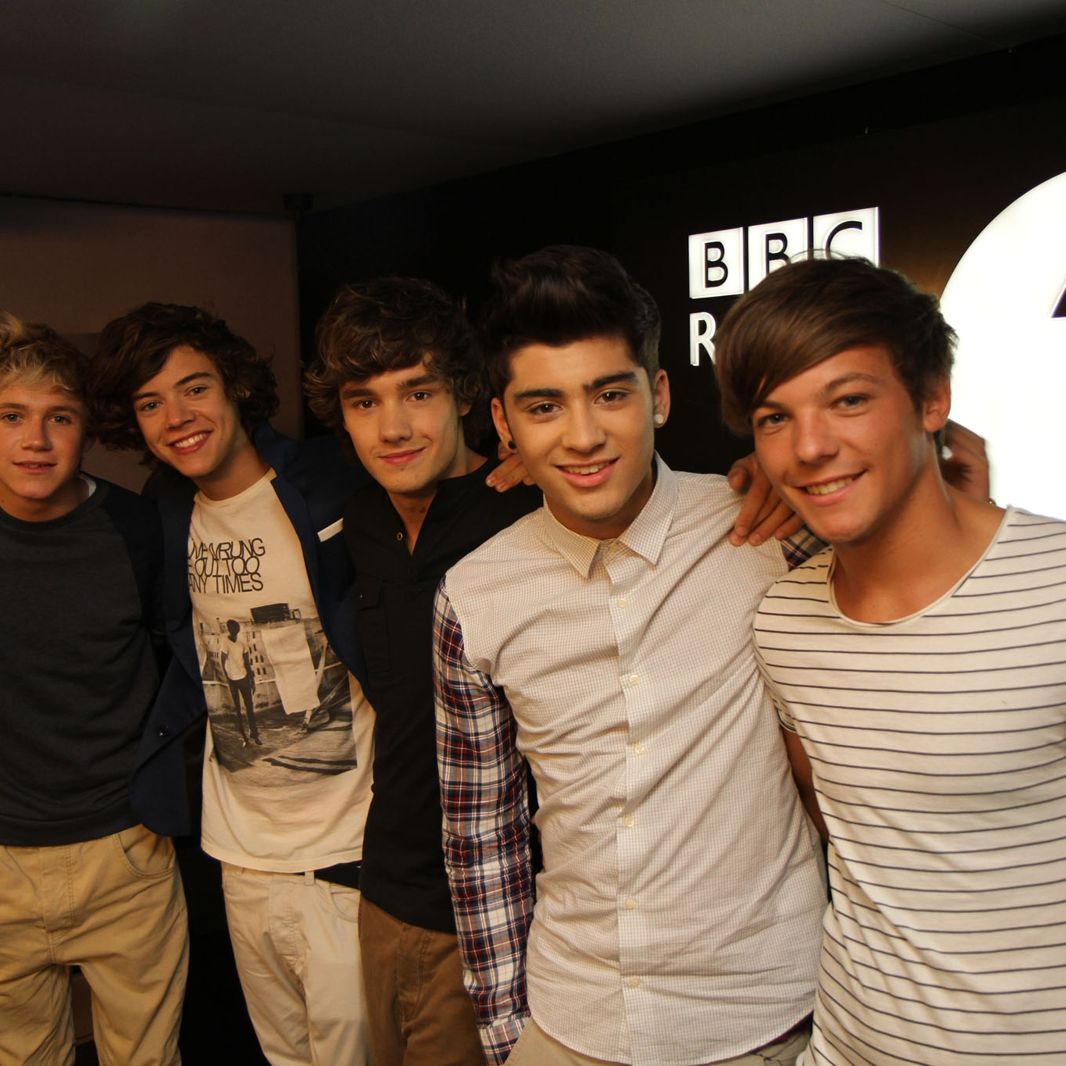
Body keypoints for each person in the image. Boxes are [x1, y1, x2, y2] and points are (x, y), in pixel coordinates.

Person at [433, 245, 831, 1066]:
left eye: (610, 394)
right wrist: (506, 1033)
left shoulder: (766, 533)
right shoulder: (472, 596)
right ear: (503, 424)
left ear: (659, 395)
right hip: (568, 1023)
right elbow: (481, 831)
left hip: (766, 1019)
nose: (583, 436)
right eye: (544, 406)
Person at [713, 255, 1066, 1064]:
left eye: (849, 400)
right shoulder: (784, 624)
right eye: (774, 418)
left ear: (932, 399)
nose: (809, 447)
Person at [89, 303, 374, 1066]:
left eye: (194, 388)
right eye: (150, 403)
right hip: (239, 852)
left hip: (348, 851)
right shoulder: (164, 510)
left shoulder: (333, 481)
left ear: (236, 386)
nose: (176, 417)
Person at [304, 276, 540, 1066]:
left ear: (466, 394)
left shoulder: (528, 513)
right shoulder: (358, 521)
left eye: (418, 392)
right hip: (383, 892)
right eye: (364, 402)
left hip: (495, 908)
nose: (393, 427)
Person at [0, 311, 187, 1065]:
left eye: (60, 417)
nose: (35, 440)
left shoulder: (141, 529)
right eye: (11, 416)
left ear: (88, 430)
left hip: (126, 854)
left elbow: (178, 664)